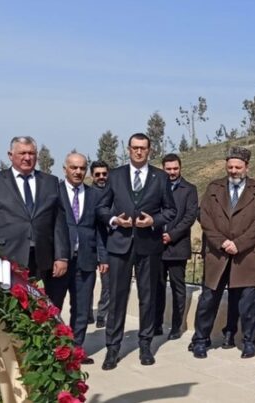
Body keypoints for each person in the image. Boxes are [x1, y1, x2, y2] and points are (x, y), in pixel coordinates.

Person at [96, 133, 177, 369]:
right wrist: (114, 220)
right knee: (117, 298)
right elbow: (101, 207)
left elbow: (170, 211)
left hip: (148, 245)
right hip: (120, 245)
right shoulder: (116, 175)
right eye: (134, 148)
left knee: (148, 297)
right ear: (128, 149)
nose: (138, 152)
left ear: (149, 150)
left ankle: (145, 345)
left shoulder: (160, 177)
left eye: (143, 148)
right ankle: (113, 348)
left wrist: (154, 220)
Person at [0, 136, 70, 307]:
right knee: (7, 309)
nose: (27, 157)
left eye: (31, 153)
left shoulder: (50, 182)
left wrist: (61, 256)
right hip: (5, 257)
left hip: (41, 258)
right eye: (22, 153)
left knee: (40, 308)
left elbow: (59, 222)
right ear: (10, 155)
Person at [190, 146, 255, 359]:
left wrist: (239, 244)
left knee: (247, 303)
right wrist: (223, 242)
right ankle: (200, 339)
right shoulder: (214, 188)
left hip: (246, 255)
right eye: (230, 167)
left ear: (247, 167)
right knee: (208, 300)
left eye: (238, 167)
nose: (233, 171)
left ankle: (248, 341)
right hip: (218, 254)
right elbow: (205, 218)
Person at [58, 153, 109, 364]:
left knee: (81, 308)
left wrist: (102, 257)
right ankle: (56, 349)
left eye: (82, 168)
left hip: (86, 260)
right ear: (65, 169)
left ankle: (76, 351)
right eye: (73, 167)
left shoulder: (93, 195)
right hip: (60, 261)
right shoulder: (55, 193)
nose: (78, 172)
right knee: (54, 307)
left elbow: (99, 229)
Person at [155, 153, 198, 340]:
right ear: (163, 169)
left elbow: (189, 216)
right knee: (157, 288)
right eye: (168, 169)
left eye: (175, 169)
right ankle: (156, 324)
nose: (172, 172)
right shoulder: (155, 188)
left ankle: (176, 326)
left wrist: (171, 235)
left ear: (180, 168)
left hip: (177, 246)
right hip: (156, 246)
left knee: (178, 288)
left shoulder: (189, 189)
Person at [89, 160, 110, 328]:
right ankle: (87, 313)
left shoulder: (113, 193)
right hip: (88, 247)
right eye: (98, 174)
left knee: (107, 284)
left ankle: (102, 314)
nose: (101, 177)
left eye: (104, 174)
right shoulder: (88, 195)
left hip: (106, 245)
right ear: (92, 176)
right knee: (85, 285)